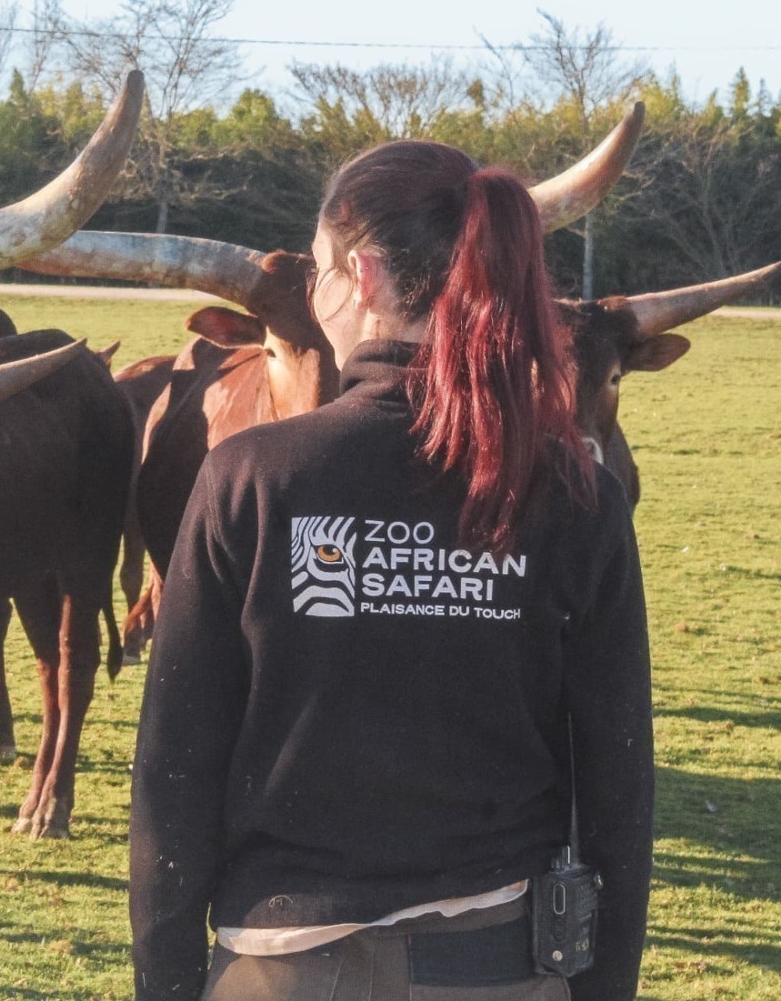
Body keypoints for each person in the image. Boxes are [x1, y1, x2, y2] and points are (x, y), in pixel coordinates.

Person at [129, 140, 653, 1001]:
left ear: (363, 276)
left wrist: (168, 982)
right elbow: (617, 780)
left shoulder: (252, 476)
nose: (317, 299)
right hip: (503, 966)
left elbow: (174, 768)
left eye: (321, 273)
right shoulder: (576, 490)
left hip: (282, 967)